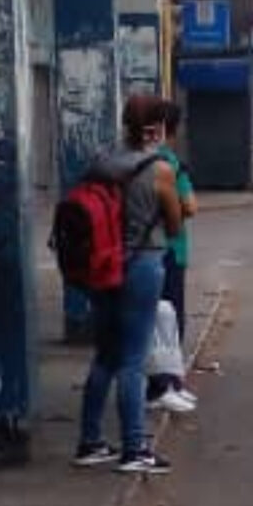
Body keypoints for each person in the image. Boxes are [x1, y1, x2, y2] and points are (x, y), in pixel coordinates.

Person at [73, 95, 184, 473]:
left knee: (106, 354)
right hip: (142, 265)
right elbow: (174, 226)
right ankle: (134, 448)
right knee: (134, 361)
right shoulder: (160, 170)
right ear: (157, 128)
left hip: (101, 265)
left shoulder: (102, 162)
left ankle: (89, 442)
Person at [144, 98, 200, 416]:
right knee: (169, 320)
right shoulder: (168, 162)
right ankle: (163, 386)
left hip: (146, 250)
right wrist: (172, 213)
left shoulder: (133, 159)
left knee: (160, 320)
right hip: (167, 250)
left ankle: (170, 384)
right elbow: (189, 206)